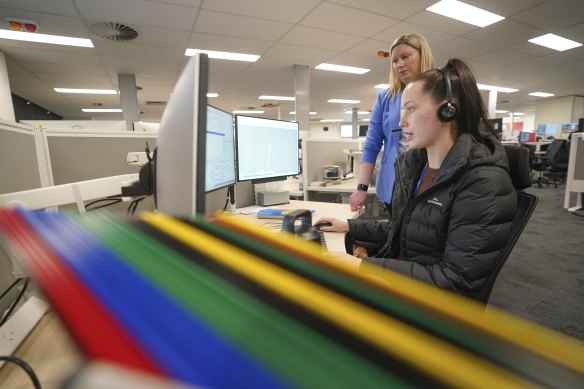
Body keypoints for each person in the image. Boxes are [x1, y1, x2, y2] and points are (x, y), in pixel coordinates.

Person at [318, 59, 518, 299]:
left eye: (411, 109)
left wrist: (365, 267)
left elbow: (456, 280)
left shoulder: (482, 182)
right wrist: (349, 226)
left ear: (447, 110)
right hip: (404, 285)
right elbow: (400, 231)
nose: (402, 122)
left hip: (429, 307)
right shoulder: (417, 167)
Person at [349, 33, 434, 213]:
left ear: (423, 55)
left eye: (405, 57)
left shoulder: (439, 91)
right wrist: (361, 188)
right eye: (394, 61)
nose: (399, 64)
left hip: (429, 176)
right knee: (393, 234)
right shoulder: (385, 98)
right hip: (393, 180)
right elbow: (372, 144)